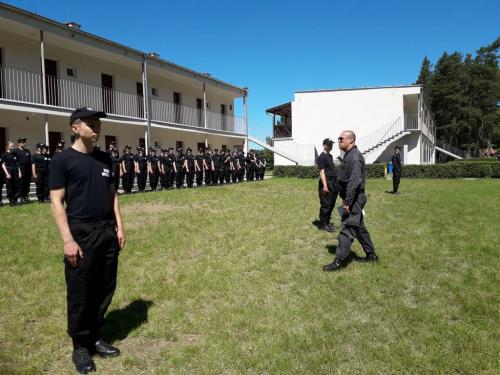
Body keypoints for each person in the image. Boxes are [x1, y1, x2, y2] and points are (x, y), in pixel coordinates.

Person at [49, 107, 126, 373]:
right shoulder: (62, 161)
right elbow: (57, 202)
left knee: (105, 286)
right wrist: (67, 240)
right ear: (75, 128)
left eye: (98, 123)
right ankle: (80, 346)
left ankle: (94, 335)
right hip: (81, 232)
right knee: (81, 291)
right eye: (91, 123)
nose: (97, 127)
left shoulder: (105, 159)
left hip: (106, 230)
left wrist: (119, 227)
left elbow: (113, 194)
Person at [323, 131, 378, 272]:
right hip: (351, 198)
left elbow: (354, 181)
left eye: (341, 138)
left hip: (354, 200)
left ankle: (339, 261)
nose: (339, 141)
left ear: (351, 140)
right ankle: (371, 255)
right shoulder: (348, 155)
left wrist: (347, 202)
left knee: (346, 228)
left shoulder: (354, 157)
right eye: (339, 138)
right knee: (359, 228)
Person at [317, 138, 338, 232]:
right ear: (325, 145)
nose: (331, 146)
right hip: (326, 183)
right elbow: (322, 172)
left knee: (332, 204)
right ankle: (323, 224)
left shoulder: (330, 156)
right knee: (326, 205)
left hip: (333, 183)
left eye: (332, 144)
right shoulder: (322, 157)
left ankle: (327, 222)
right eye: (329, 144)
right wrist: (325, 186)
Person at [1, 142, 22, 206]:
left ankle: (15, 200)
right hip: (9, 170)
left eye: (13, 146)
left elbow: (17, 164)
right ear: (7, 146)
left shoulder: (15, 154)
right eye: (11, 146)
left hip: (15, 170)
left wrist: (19, 172)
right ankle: (11, 201)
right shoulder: (4, 154)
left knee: (16, 186)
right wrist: (7, 173)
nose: (12, 147)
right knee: (10, 187)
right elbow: (3, 164)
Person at [13, 137, 32, 203]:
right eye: (23, 142)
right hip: (21, 169)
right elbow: (16, 162)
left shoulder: (27, 151)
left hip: (28, 169)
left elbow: (30, 161)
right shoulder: (15, 151)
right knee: (21, 183)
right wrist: (19, 171)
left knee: (27, 183)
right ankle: (20, 197)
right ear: (19, 143)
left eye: (24, 142)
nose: (24, 143)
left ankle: (25, 196)